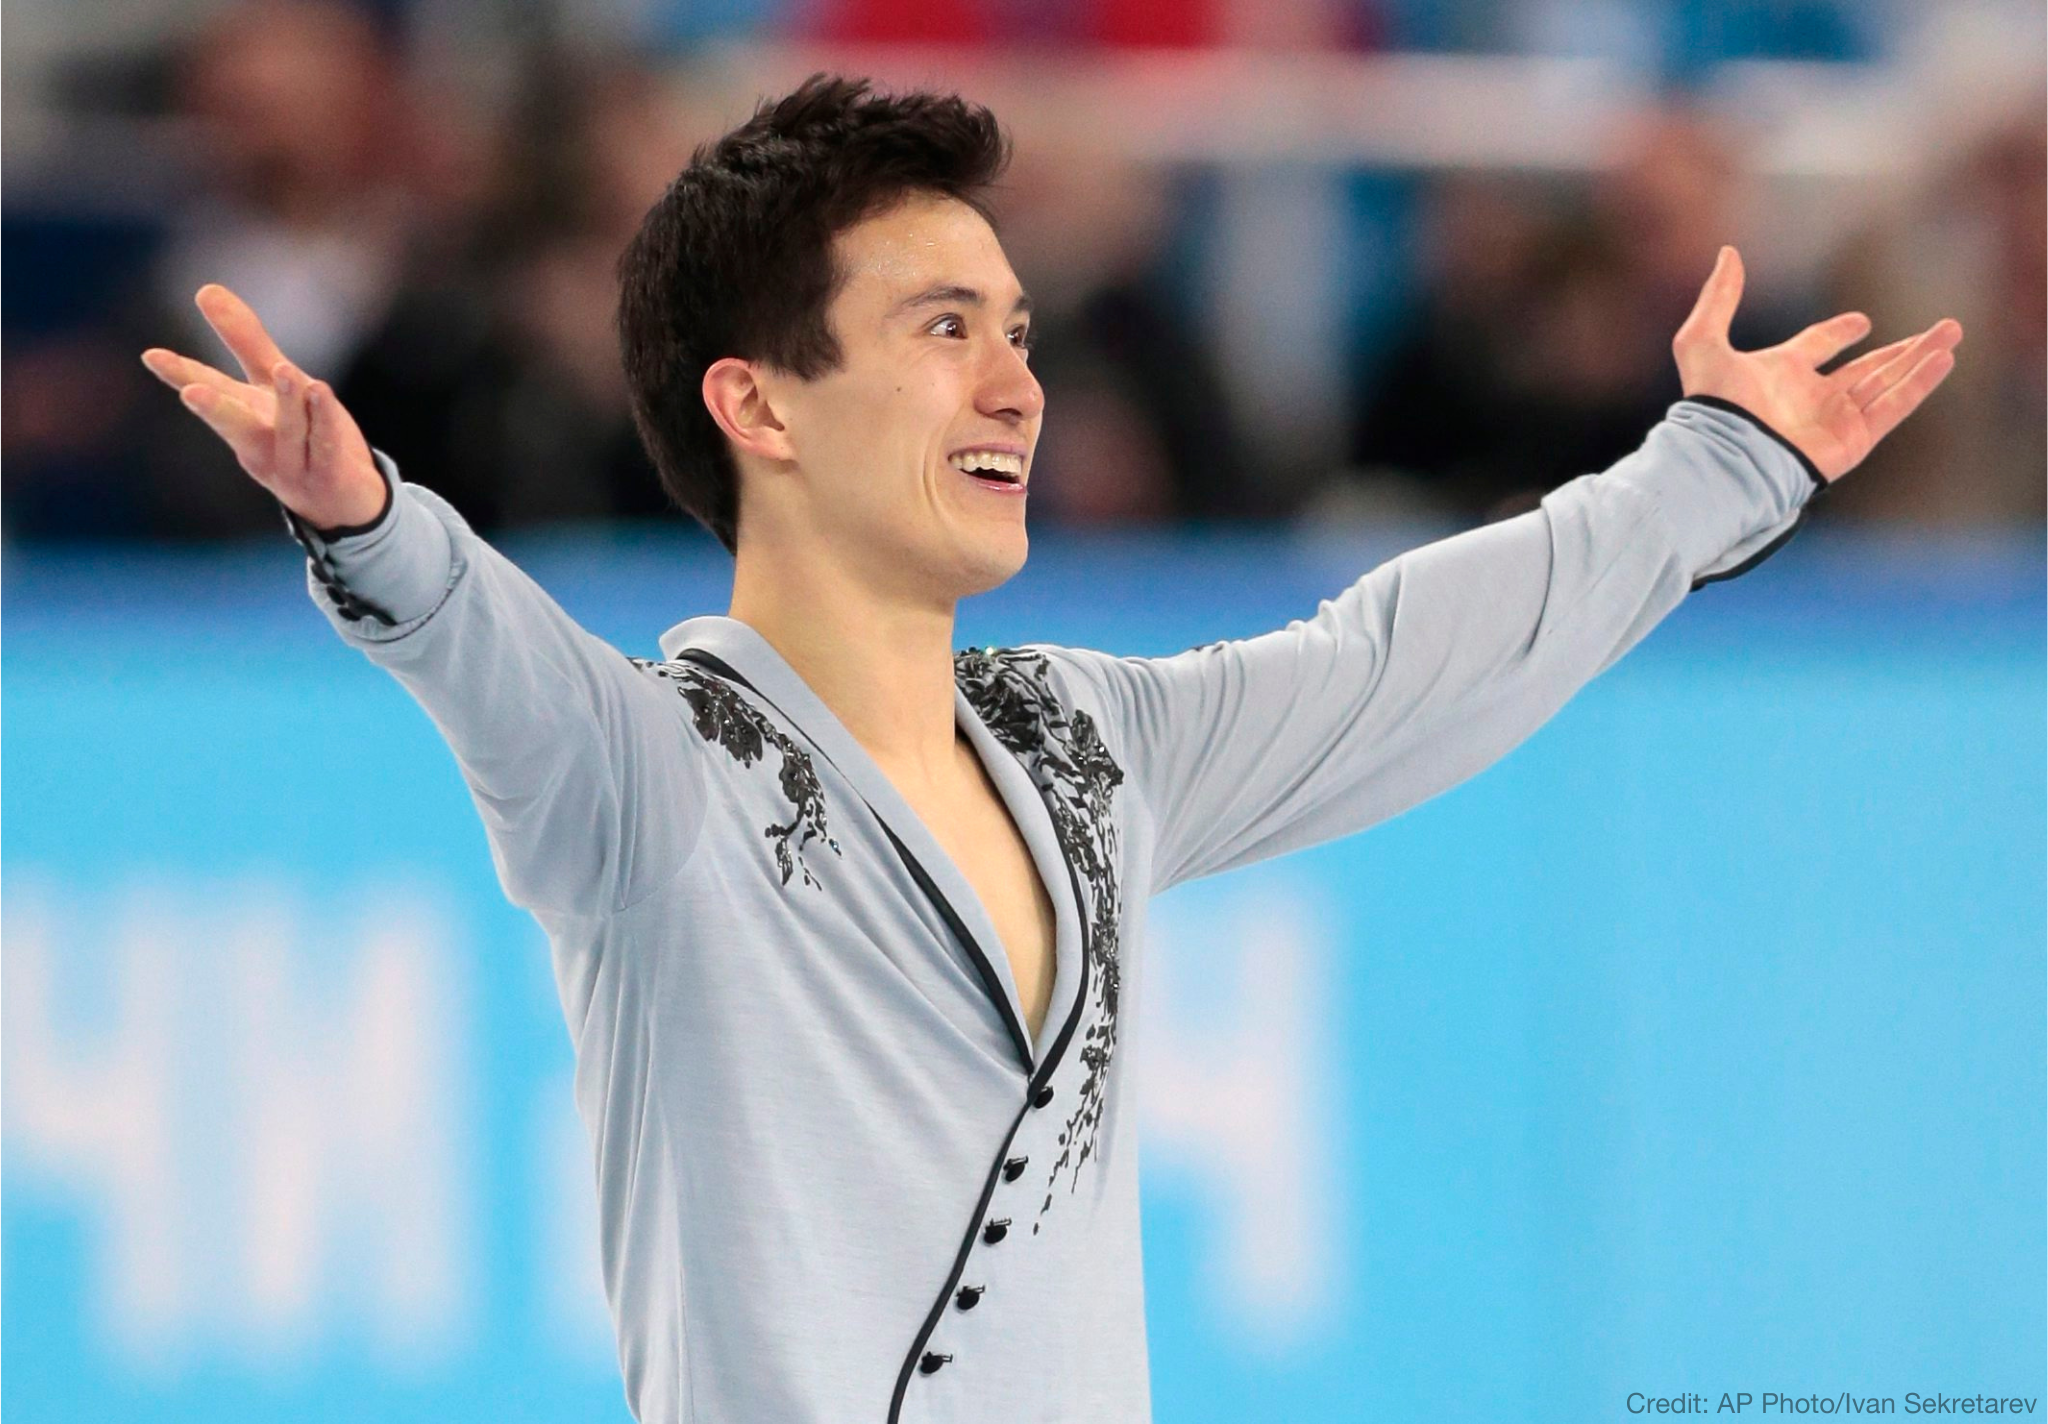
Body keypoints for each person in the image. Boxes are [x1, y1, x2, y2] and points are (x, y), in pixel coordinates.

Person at [141, 75, 1961, 1424]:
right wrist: (366, 513)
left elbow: (1406, 660)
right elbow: (484, 645)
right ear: (757, 400)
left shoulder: (1089, 743)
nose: (1019, 380)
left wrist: (1715, 469)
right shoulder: (650, 779)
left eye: (1016, 331)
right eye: (944, 330)